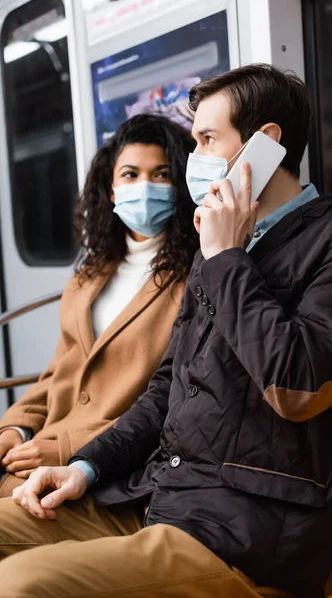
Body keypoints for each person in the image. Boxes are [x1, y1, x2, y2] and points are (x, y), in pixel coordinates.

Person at [0, 64, 332, 598]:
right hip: (154, 497)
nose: (196, 159)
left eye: (209, 139)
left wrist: (227, 256)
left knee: (20, 584)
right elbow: (165, 391)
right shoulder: (223, 245)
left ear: (266, 144)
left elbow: (298, 386)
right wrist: (87, 467)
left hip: (241, 533)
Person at [0, 113, 198, 497]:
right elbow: (60, 371)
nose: (145, 187)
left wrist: (68, 446)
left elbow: (173, 397)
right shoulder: (90, 276)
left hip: (109, 465)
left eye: (160, 174)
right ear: (110, 190)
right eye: (130, 175)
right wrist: (16, 428)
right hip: (42, 445)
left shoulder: (195, 277)